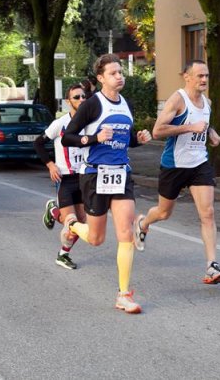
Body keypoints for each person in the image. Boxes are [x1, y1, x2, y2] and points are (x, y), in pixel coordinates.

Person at [61, 54, 152, 314]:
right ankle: (70, 222)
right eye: (113, 73)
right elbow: (68, 137)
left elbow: (127, 139)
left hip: (121, 174)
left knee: (125, 234)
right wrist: (93, 138)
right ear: (101, 78)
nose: (120, 76)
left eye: (120, 71)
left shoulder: (127, 104)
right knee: (96, 238)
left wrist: (139, 139)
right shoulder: (92, 105)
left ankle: (124, 294)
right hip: (94, 175)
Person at [133, 60, 220, 285]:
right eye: (199, 76)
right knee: (164, 213)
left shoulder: (207, 102)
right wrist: (189, 128)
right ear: (187, 77)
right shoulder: (178, 99)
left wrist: (211, 133)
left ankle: (211, 266)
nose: (204, 80)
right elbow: (157, 131)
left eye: (206, 75)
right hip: (174, 165)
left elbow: (203, 124)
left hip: (199, 164)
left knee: (208, 213)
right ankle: (143, 223)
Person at [34, 83, 88, 270]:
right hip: (65, 178)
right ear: (68, 101)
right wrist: (50, 165)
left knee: (82, 224)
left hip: (84, 178)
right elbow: (39, 143)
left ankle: (63, 254)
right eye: (76, 97)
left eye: (83, 96)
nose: (81, 100)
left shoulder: (91, 124)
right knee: (71, 222)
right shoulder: (60, 124)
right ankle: (54, 210)